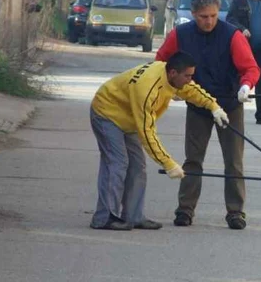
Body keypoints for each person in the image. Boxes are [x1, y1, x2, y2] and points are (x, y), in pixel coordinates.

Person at [89, 52, 230, 231]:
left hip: (128, 117)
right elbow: (147, 133)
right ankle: (104, 217)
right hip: (107, 113)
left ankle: (133, 216)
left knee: (138, 166)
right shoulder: (147, 89)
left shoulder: (171, 77)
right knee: (117, 162)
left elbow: (190, 90)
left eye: (191, 75)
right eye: (187, 76)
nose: (190, 80)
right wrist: (168, 163)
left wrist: (214, 107)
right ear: (172, 73)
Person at [155, 0, 260, 230]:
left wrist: (246, 85)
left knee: (233, 161)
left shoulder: (232, 35)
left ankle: (236, 212)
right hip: (198, 106)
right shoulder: (180, 35)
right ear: (193, 15)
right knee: (193, 160)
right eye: (203, 17)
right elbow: (160, 63)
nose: (209, 21)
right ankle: (185, 209)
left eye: (213, 15)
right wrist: (169, 87)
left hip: (229, 105)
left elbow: (250, 67)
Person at [226, 0, 261, 125]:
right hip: (242, 48)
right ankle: (231, 111)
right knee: (236, 79)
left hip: (260, 49)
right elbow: (230, 20)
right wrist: (242, 29)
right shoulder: (238, 2)